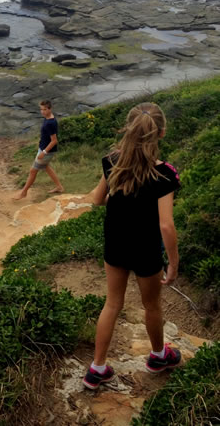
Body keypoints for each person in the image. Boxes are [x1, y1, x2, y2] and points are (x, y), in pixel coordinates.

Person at [82, 102, 181, 390]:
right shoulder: (165, 175)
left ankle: (97, 368)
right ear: (160, 134)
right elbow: (166, 225)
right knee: (151, 306)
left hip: (115, 242)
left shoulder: (112, 160)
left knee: (112, 303)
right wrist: (173, 262)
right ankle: (159, 356)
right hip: (146, 249)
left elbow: (97, 199)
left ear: (128, 129)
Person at [13, 100, 63, 200]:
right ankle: (59, 187)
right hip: (43, 149)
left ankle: (24, 192)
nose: (42, 112)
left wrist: (43, 152)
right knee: (46, 167)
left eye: (45, 109)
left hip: (46, 152)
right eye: (41, 109)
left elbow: (54, 141)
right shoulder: (47, 118)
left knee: (33, 171)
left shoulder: (50, 123)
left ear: (50, 109)